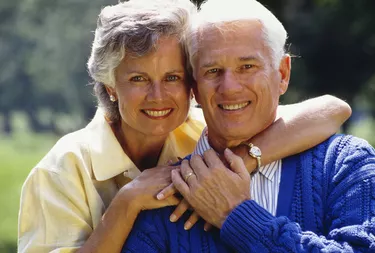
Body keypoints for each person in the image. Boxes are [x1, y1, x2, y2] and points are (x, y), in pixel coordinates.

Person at [18, 0, 352, 252]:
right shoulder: (62, 171)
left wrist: (239, 161)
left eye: (172, 77)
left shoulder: (203, 127)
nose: (158, 96)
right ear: (109, 86)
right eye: (138, 79)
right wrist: (127, 202)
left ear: (190, 84)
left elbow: (331, 110)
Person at [120, 0, 375, 252]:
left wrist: (237, 216)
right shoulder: (163, 198)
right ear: (194, 88)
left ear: (283, 74)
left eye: (247, 67)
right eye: (213, 71)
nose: (229, 87)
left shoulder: (345, 163)